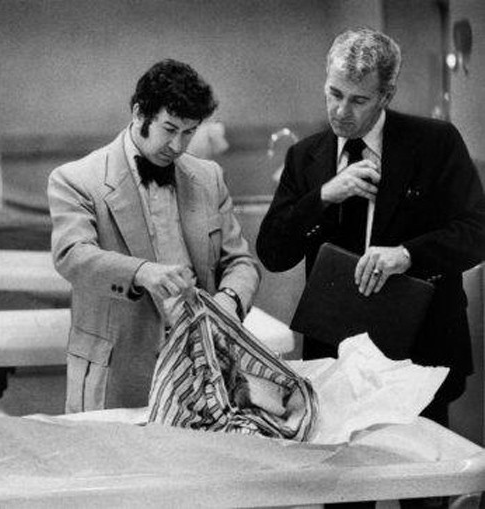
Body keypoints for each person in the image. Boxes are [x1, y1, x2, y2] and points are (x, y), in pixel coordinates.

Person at [257, 27, 485, 507]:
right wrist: (323, 196)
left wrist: (408, 254)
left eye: (358, 100)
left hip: (419, 354)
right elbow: (274, 253)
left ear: (387, 95)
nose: (341, 110)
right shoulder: (306, 157)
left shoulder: (435, 143)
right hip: (337, 362)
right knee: (344, 500)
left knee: (422, 495)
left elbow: (477, 231)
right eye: (334, 93)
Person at [48, 59, 261, 413]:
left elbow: (240, 261)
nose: (177, 145)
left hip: (200, 369)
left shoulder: (209, 177)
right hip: (116, 371)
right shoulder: (76, 179)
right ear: (138, 113)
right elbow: (72, 255)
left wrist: (230, 300)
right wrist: (142, 272)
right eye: (169, 129)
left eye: (189, 132)